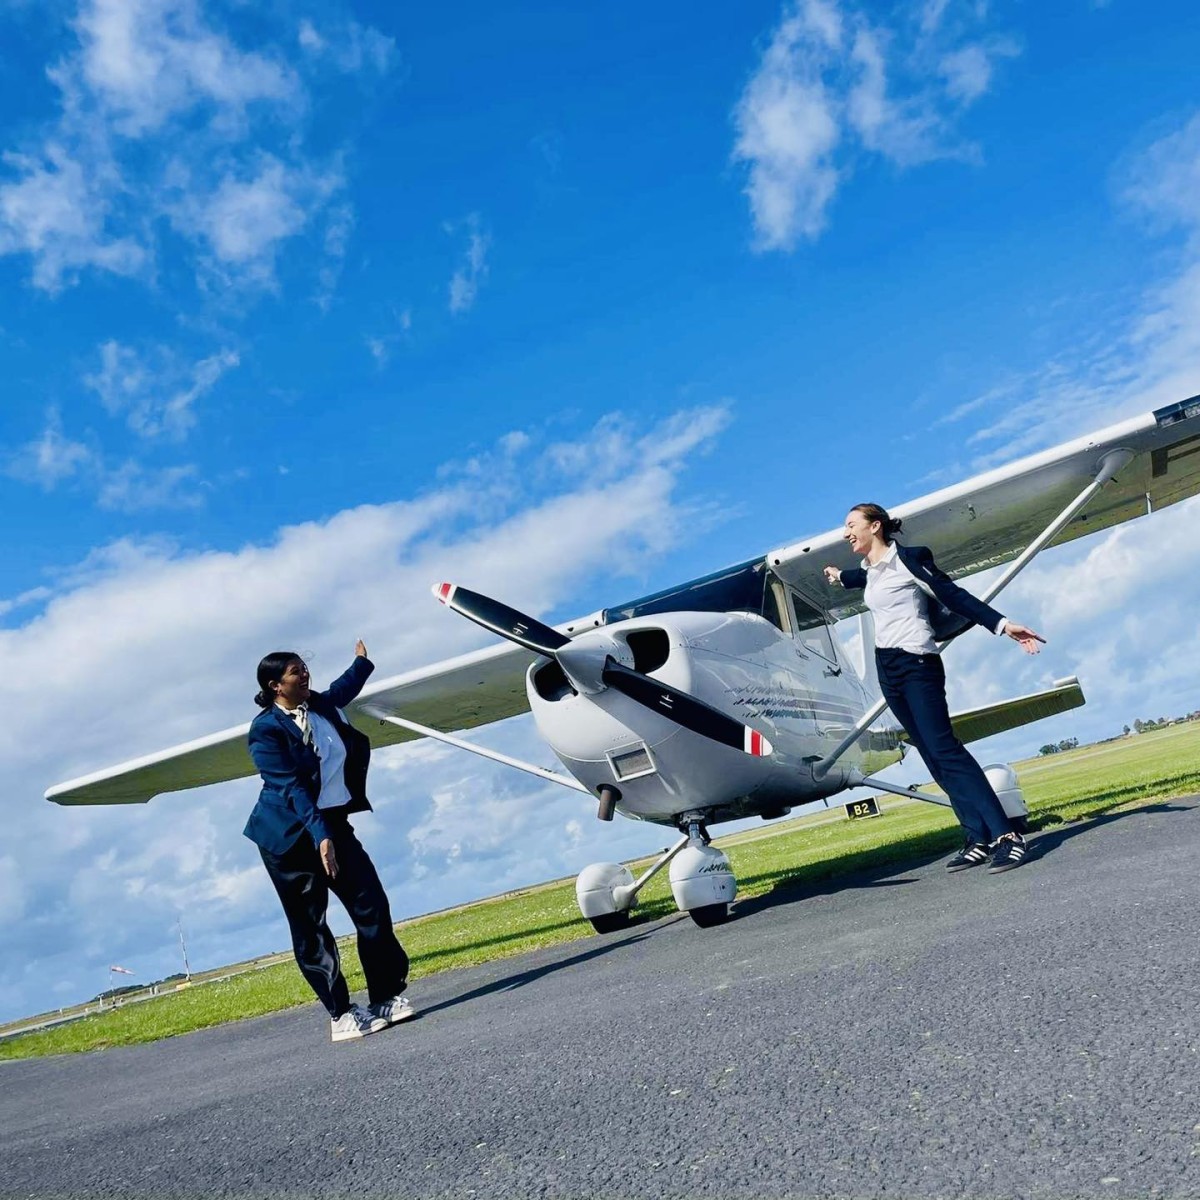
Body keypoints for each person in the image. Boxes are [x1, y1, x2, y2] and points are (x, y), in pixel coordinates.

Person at [824, 504, 1045, 874]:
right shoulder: (870, 571)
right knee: (928, 752)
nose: (845, 533)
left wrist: (1003, 625)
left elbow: (952, 594)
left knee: (947, 749)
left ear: (875, 526)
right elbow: (861, 579)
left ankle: (1007, 836)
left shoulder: (908, 560)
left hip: (917, 665)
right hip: (888, 669)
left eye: (851, 525)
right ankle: (977, 836)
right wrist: (838, 576)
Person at [245, 641, 414, 1041]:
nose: (305, 674)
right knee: (311, 926)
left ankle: (384, 997)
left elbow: (343, 689)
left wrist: (362, 661)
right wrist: (321, 837)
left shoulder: (318, 704)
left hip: (333, 826)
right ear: (275, 686)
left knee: (371, 905)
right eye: (295, 672)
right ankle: (340, 1014)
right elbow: (290, 788)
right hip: (289, 838)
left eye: (305, 667)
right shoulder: (265, 730)